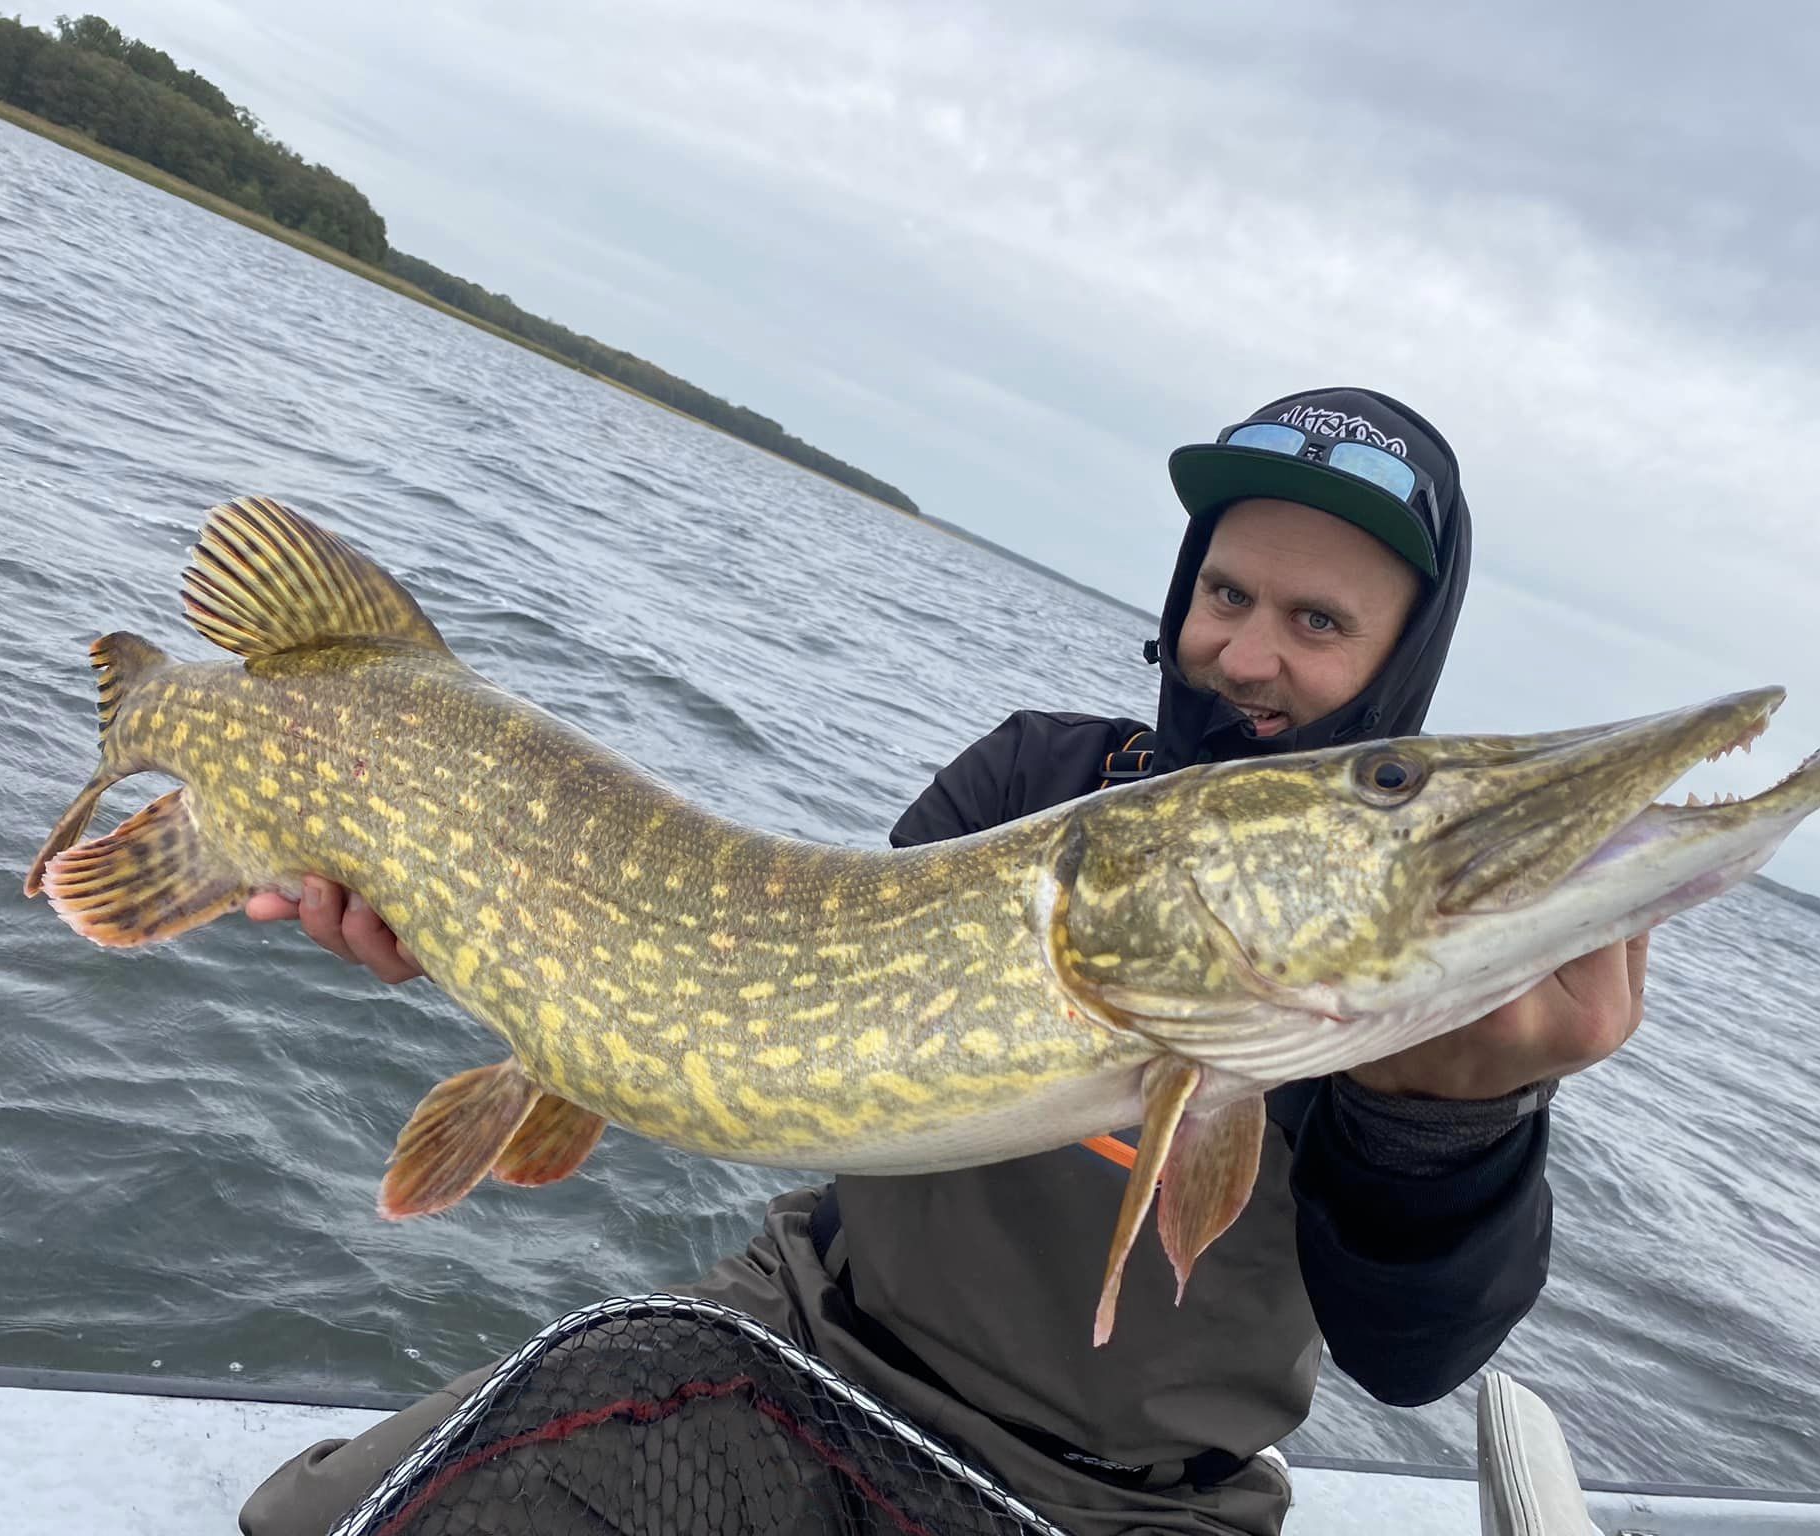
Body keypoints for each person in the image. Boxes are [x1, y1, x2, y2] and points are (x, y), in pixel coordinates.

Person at [238, 386, 1648, 1536]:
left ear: (1404, 666)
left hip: (1123, 1505)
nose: (1247, 654)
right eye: (1227, 593)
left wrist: (1441, 1126)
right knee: (315, 1527)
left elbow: (1414, 1358)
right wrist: (496, 944)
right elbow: (755, 1007)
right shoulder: (1034, 777)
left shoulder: (1401, 964)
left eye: (1320, 623)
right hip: (805, 1334)